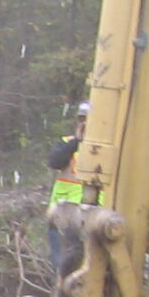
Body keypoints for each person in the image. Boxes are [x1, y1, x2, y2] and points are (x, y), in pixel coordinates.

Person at [45, 102, 96, 286]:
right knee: (62, 267)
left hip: (91, 219)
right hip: (62, 216)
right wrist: (77, 141)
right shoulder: (67, 143)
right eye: (81, 119)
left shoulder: (108, 150)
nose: (84, 123)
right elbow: (54, 161)